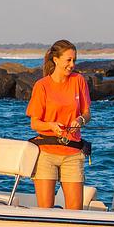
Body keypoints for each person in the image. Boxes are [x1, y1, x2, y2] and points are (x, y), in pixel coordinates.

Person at [26, 39, 91, 209]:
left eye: (74, 60)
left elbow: (87, 113)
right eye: (68, 60)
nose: (72, 64)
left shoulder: (79, 81)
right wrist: (51, 126)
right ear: (56, 60)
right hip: (46, 154)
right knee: (45, 210)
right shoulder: (42, 86)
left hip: (73, 153)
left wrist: (80, 120)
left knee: (76, 212)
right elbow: (35, 123)